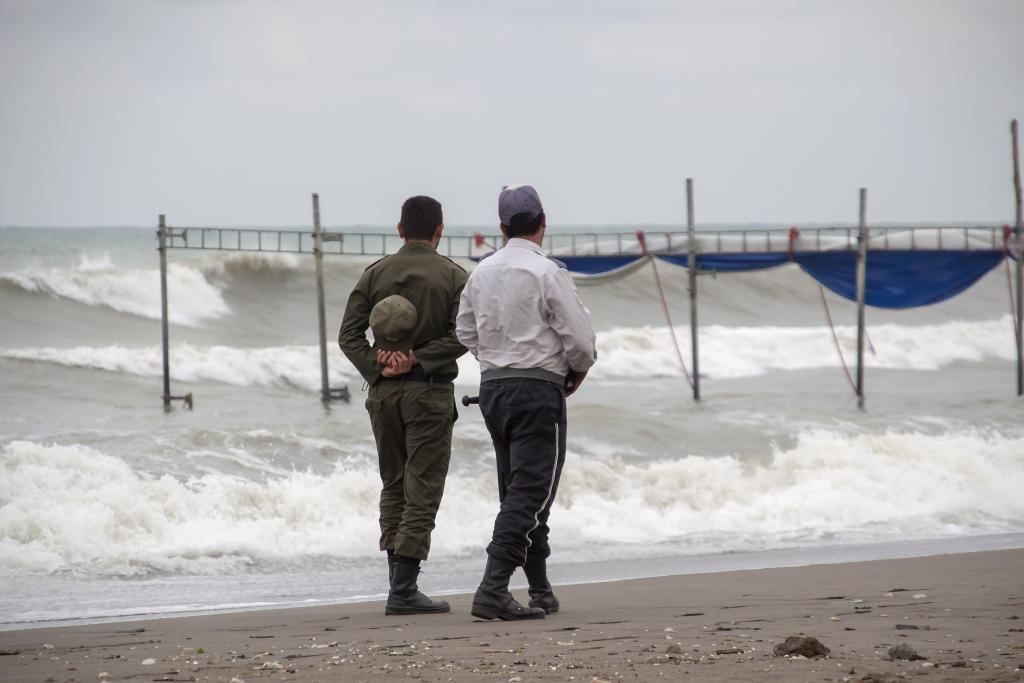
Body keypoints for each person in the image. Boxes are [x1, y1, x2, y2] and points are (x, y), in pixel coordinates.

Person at [456, 184, 597, 620]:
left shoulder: (481, 272)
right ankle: (492, 587)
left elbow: (464, 331)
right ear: (543, 222)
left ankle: (539, 589)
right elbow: (582, 341)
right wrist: (574, 370)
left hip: (494, 390)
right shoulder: (547, 272)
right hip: (538, 389)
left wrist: (495, 360)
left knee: (518, 488)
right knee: (531, 491)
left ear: (501, 227)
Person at [338, 195, 468, 615]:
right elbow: (466, 334)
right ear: (439, 230)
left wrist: (377, 364)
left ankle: (398, 582)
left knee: (393, 484)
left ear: (399, 230)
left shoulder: (374, 273)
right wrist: (420, 358)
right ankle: (404, 589)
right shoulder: (454, 276)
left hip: (382, 395)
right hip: (428, 392)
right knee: (423, 489)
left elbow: (349, 335)